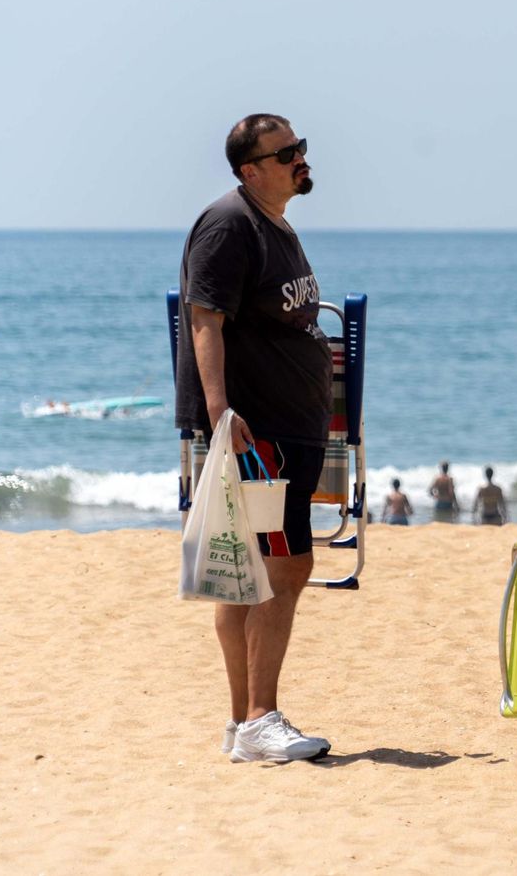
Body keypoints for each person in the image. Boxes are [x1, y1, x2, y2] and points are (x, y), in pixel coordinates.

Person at [173, 113, 332, 764]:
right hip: (256, 430)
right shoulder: (229, 224)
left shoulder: (274, 225)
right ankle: (261, 717)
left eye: (300, 145)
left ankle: (243, 725)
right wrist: (220, 413)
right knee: (282, 566)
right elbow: (204, 319)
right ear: (251, 169)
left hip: (284, 425)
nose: (300, 157)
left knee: (251, 573)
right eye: (285, 151)